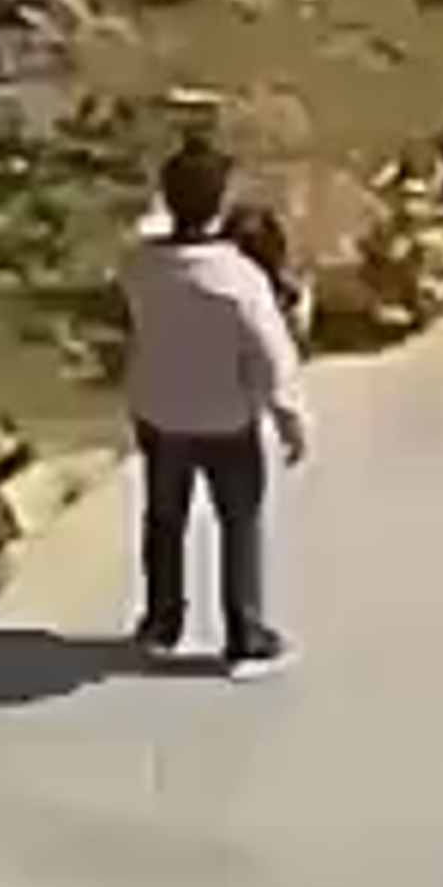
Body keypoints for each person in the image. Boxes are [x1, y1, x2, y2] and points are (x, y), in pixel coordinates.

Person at [121, 127, 308, 670]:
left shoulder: (140, 268)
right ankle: (244, 632)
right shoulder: (238, 279)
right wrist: (291, 418)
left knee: (164, 519)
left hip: (159, 413)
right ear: (221, 203)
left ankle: (162, 622)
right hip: (226, 419)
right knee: (238, 522)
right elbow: (272, 356)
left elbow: (149, 243)